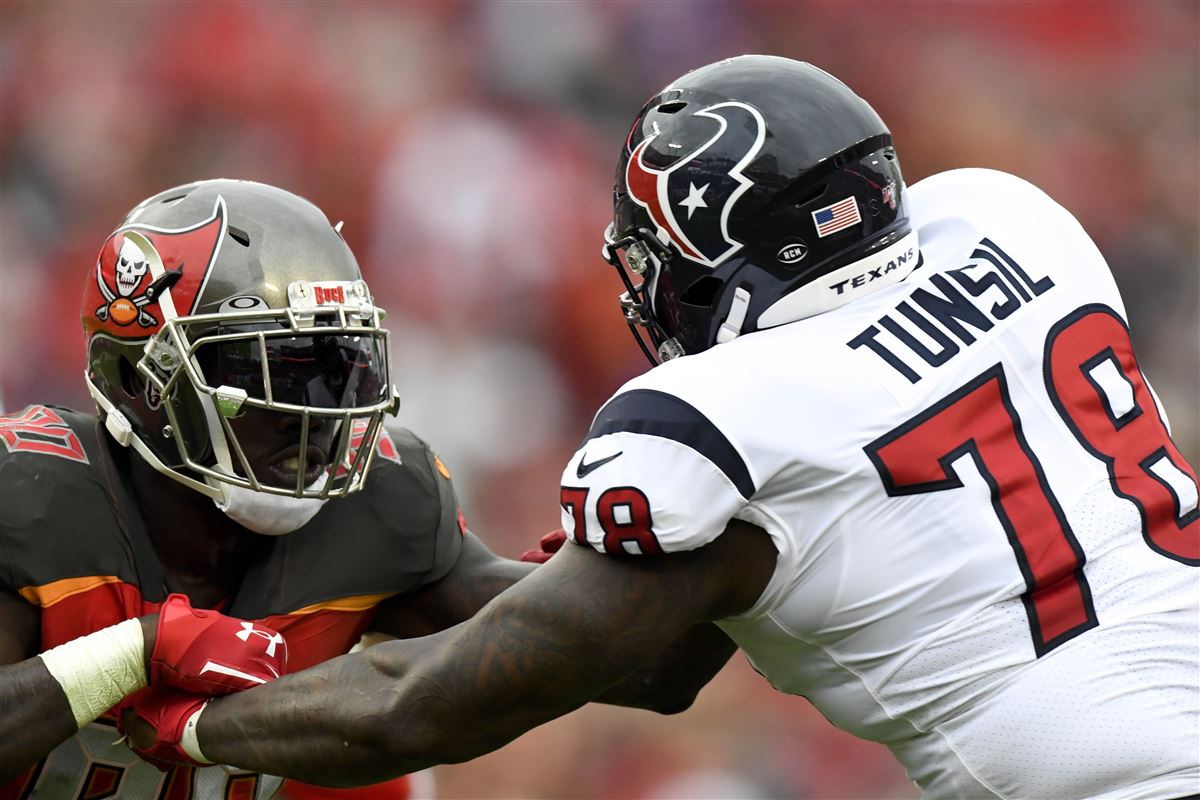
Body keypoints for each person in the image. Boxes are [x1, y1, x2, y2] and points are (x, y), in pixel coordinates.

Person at [124, 56, 1198, 799]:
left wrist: (178, 717)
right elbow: (667, 647)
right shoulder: (1008, 226)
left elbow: (427, 707)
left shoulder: (726, 425)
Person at [0, 180, 724, 798]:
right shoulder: (33, 497)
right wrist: (133, 653)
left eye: (337, 368)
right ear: (140, 384)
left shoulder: (378, 507)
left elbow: (651, 670)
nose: (316, 413)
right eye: (278, 372)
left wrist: (725, 499)